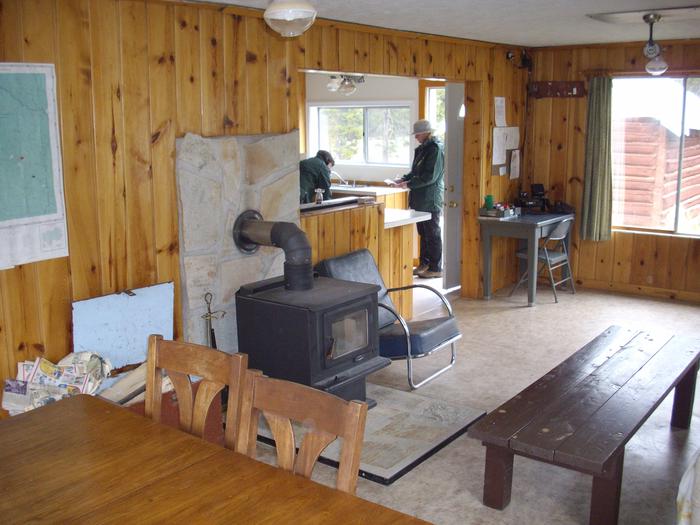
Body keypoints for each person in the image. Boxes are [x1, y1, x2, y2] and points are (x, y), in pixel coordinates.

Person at [395, 119, 444, 279]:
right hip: (419, 199)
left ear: (426, 133)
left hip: (430, 199)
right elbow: (415, 171)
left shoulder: (435, 149)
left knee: (433, 233)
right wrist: (403, 179)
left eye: (417, 134)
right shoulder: (421, 150)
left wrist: (408, 183)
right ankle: (425, 264)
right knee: (423, 233)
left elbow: (429, 177)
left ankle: (436, 267)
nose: (415, 137)